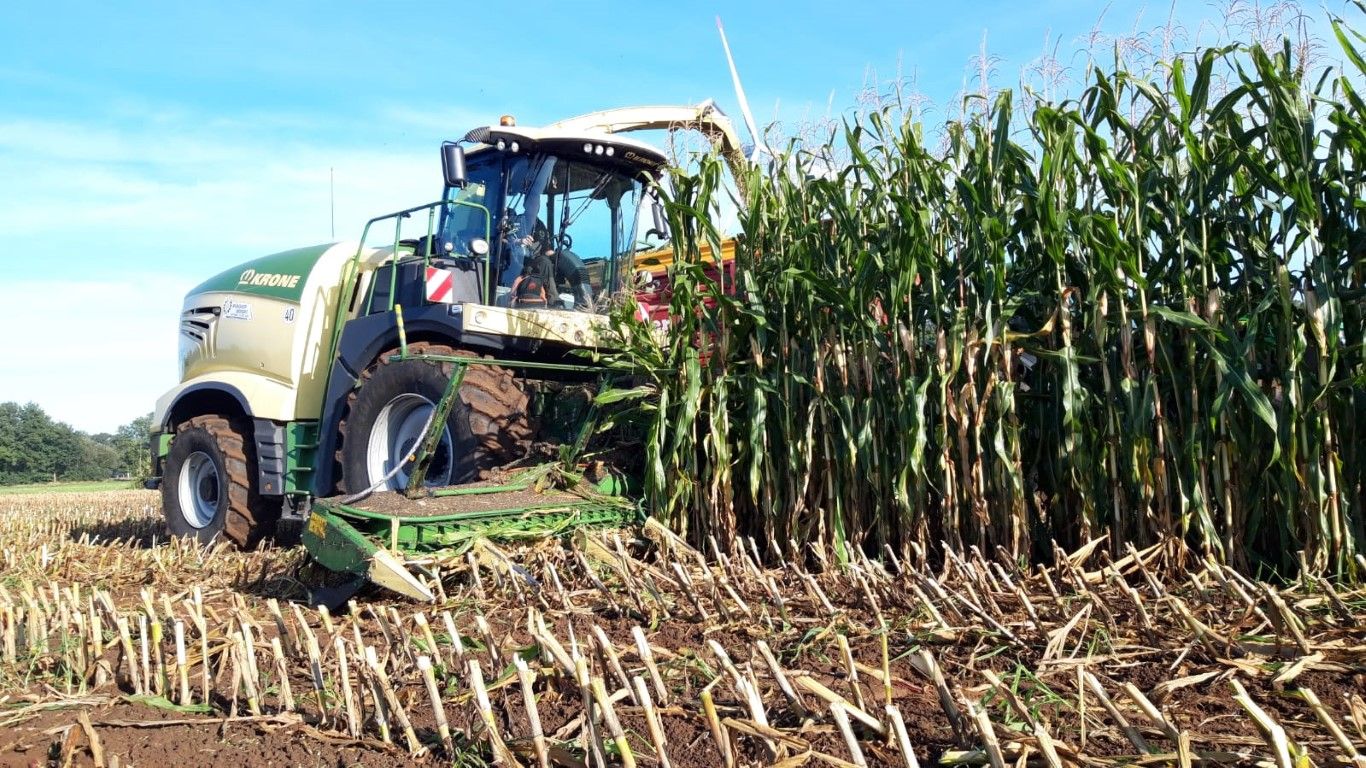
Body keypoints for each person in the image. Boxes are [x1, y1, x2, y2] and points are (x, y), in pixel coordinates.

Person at [506, 218, 593, 310]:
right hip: (517, 265)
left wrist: (558, 257)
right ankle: (553, 300)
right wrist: (519, 241)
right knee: (544, 261)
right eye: (532, 203)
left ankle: (585, 302)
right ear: (525, 205)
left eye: (536, 203)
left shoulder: (540, 225)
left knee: (553, 259)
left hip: (537, 266)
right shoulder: (517, 220)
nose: (535, 205)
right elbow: (505, 240)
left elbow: (546, 250)